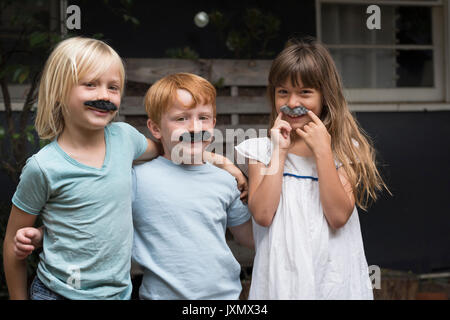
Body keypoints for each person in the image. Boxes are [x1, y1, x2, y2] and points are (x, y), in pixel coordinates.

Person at [3, 37, 246, 300]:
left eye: (113, 87)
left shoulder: (125, 138)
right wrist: (36, 240)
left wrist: (220, 161)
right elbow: (12, 242)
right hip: (58, 293)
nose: (104, 96)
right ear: (60, 91)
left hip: (117, 294)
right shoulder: (43, 167)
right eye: (90, 84)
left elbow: (173, 147)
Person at [235, 39, 389, 299]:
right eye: (282, 92)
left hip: (333, 277)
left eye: (305, 92)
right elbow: (262, 214)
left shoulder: (344, 149)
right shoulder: (261, 150)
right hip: (280, 278)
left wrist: (323, 152)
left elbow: (338, 216)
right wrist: (280, 152)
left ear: (325, 95)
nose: (292, 102)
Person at [132, 73, 253, 299]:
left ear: (214, 124)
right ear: (155, 128)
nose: (195, 127)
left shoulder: (226, 180)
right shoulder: (136, 180)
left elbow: (251, 238)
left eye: (204, 118)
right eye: (181, 119)